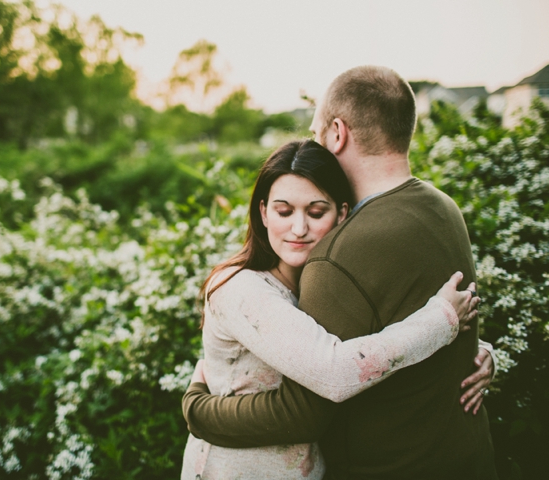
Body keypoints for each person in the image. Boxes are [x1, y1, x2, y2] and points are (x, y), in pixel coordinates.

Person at [183, 66, 498, 480]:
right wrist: (477, 349)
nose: (299, 227)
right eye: (283, 211)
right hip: (469, 458)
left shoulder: (340, 254)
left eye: (316, 135)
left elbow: (306, 407)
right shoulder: (442, 207)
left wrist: (198, 409)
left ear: (337, 133)